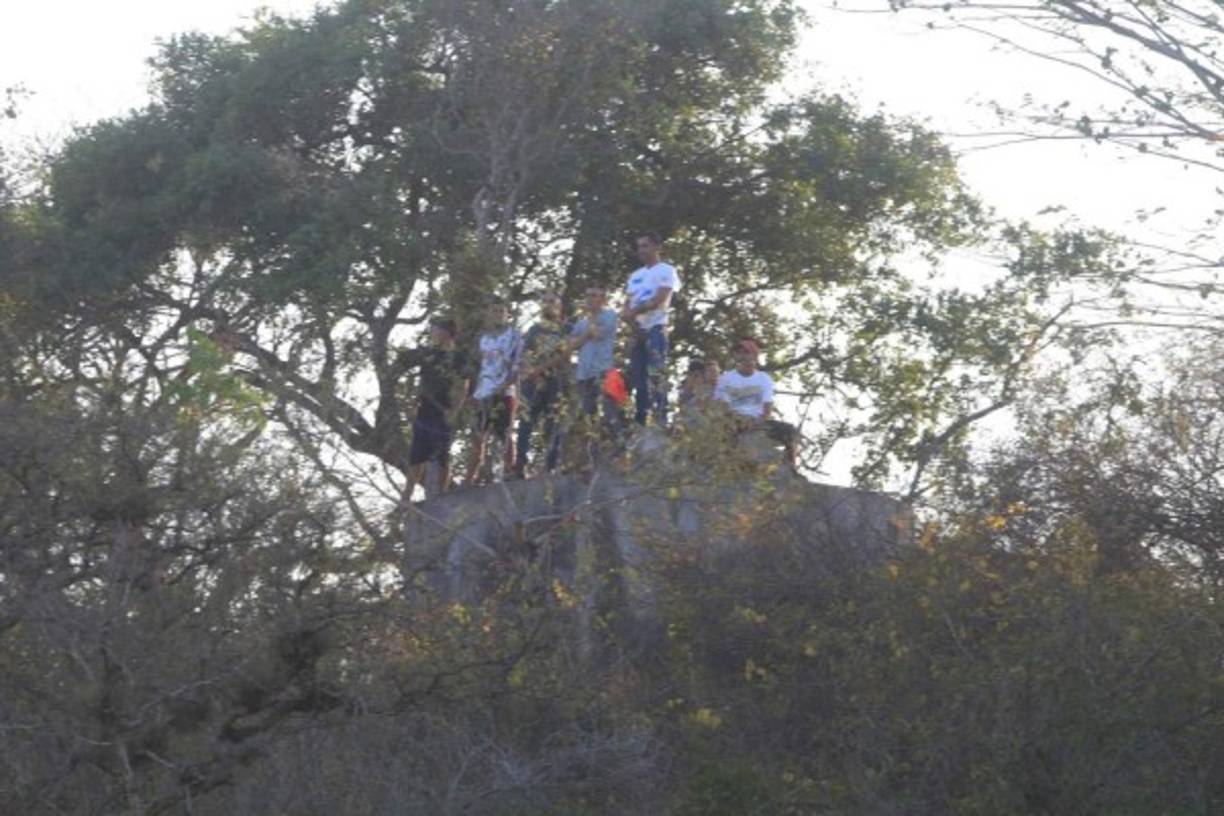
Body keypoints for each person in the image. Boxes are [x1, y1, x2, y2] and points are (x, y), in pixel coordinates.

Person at [404, 316, 468, 501]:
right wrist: (413, 403)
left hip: (444, 409)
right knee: (417, 455)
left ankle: (441, 495)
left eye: (435, 329)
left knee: (442, 456)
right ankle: (406, 497)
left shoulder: (458, 356)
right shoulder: (429, 354)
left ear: (446, 332)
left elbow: (463, 386)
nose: (432, 333)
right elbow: (422, 382)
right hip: (425, 408)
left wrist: (455, 410)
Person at [620, 233, 680, 427]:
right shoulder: (635, 276)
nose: (641, 251)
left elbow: (660, 300)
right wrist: (632, 324)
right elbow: (626, 307)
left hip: (656, 328)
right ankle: (640, 421)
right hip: (637, 331)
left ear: (656, 247)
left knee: (656, 373)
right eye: (639, 247)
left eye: (645, 246)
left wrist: (635, 311)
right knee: (639, 378)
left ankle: (661, 418)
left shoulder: (666, 270)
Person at [713, 339, 798, 468]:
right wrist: (737, 420)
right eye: (739, 352)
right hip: (732, 421)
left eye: (746, 352)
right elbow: (720, 407)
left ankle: (792, 469)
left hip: (757, 421)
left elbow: (767, 409)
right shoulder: (726, 378)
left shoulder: (764, 379)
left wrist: (756, 422)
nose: (743, 356)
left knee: (789, 432)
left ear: (755, 356)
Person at [466, 299, 521, 485]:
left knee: (504, 434)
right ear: (488, 314)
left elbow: (519, 365)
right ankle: (471, 477)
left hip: (504, 390)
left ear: (508, 314)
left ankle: (509, 471)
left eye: (501, 311)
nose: (497, 314)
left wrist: (507, 384)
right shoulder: (483, 338)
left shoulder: (514, 335)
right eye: (494, 311)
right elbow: (477, 366)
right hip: (483, 391)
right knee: (477, 435)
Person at [514, 292, 567, 478]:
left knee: (553, 423)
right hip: (533, 382)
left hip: (556, 381)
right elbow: (524, 356)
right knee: (526, 423)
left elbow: (567, 353)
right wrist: (533, 375)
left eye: (551, 301)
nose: (547, 305)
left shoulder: (565, 329)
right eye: (544, 301)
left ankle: (550, 466)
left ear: (559, 306)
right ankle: (520, 464)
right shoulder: (534, 330)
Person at [567, 285, 622, 444]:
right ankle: (593, 457)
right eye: (588, 295)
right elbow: (569, 346)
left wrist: (581, 338)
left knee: (610, 413)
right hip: (584, 374)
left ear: (603, 299)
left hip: (605, 372)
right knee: (588, 419)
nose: (590, 299)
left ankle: (621, 448)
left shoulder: (610, 315)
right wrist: (585, 335)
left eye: (594, 295)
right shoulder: (581, 322)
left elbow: (597, 334)